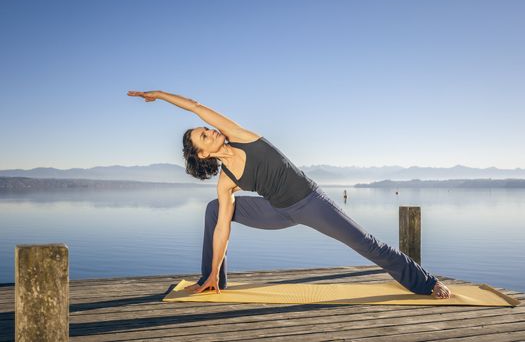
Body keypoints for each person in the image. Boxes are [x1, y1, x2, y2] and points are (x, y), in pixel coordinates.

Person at [127, 90, 451, 299]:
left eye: (206, 128)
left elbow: (196, 106)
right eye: (203, 135)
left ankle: (423, 282)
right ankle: (212, 279)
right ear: (201, 154)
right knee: (216, 209)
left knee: (364, 242)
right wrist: (214, 268)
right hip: (277, 211)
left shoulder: (239, 136)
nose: (209, 130)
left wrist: (158, 95)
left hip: (310, 202)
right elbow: (222, 229)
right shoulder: (225, 181)